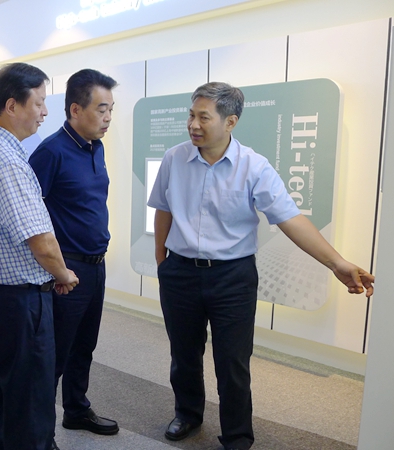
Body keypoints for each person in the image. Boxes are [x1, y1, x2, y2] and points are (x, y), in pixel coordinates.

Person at [148, 81, 375, 450]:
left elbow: (291, 219)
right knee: (183, 354)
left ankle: (237, 435)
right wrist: (162, 262)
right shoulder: (174, 159)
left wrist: (337, 263)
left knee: (233, 362)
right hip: (180, 273)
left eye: (203, 117)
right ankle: (187, 414)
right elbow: (163, 209)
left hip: (232, 277)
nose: (193, 124)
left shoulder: (253, 166)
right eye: (191, 115)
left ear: (231, 121)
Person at [0, 62, 80, 450]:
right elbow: (40, 240)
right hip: (20, 302)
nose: (45, 112)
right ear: (12, 105)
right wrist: (63, 274)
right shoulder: (7, 161)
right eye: (39, 102)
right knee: (30, 402)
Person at [28, 69, 119, 437]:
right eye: (101, 109)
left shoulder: (96, 147)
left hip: (96, 265)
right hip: (67, 270)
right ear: (76, 109)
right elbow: (31, 214)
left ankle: (76, 410)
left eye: (111, 109)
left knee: (84, 346)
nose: (108, 117)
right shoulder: (51, 152)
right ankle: (41, 433)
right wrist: (54, 268)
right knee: (56, 354)